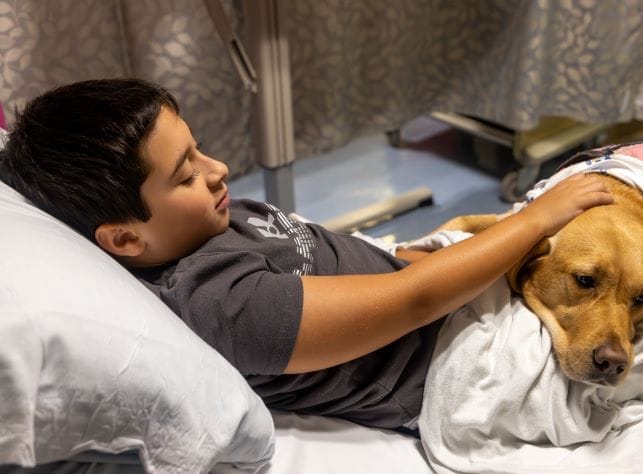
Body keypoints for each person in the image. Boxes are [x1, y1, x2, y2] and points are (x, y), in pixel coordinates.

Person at [0, 78, 612, 432]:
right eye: (186, 175)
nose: (219, 171)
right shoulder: (224, 305)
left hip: (433, 290)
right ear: (126, 240)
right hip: (454, 362)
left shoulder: (203, 224)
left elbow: (330, 257)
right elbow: (413, 302)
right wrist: (537, 217)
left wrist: (413, 253)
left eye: (201, 149)